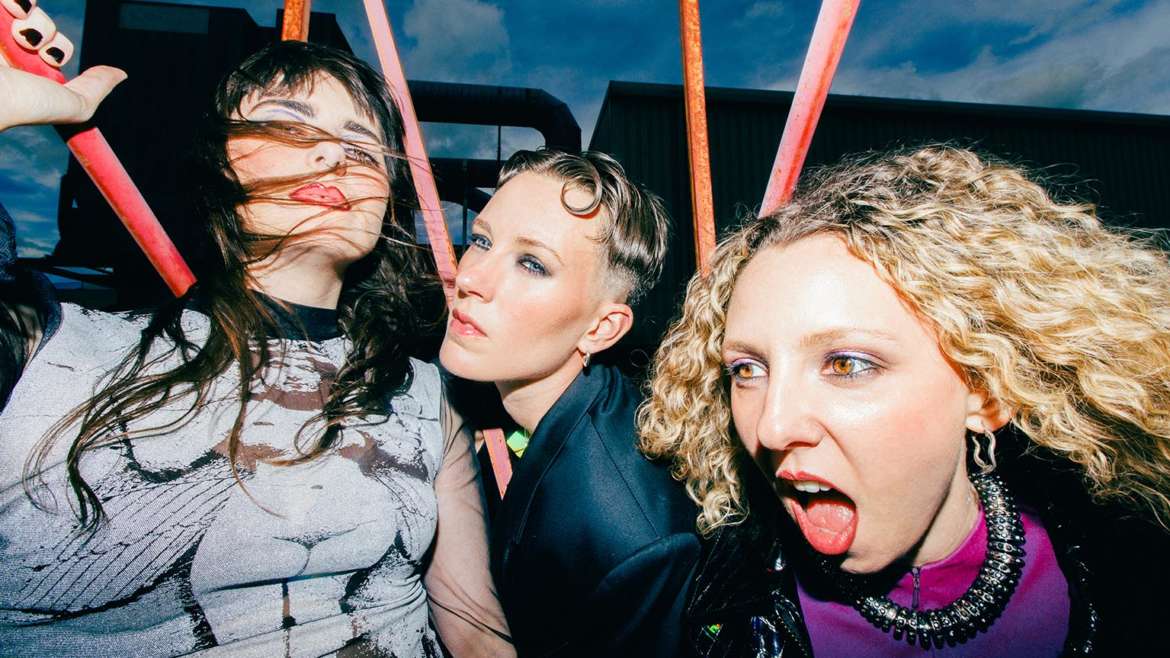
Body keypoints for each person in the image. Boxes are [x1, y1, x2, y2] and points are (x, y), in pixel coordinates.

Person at [0, 36, 511, 657]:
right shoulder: (43, 342)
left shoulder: (426, 392)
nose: (332, 154)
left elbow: (471, 620)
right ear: (221, 162)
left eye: (361, 147)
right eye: (288, 126)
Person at [639, 145, 1170, 656]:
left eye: (846, 364)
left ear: (985, 391)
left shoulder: (1135, 572)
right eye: (748, 370)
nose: (772, 427)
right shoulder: (701, 605)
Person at [438, 148, 700, 656]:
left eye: (532, 264)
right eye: (482, 240)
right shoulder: (532, 406)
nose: (469, 278)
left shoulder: (625, 539)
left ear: (601, 328)